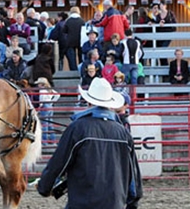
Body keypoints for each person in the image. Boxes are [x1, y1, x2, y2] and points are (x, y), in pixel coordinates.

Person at [37, 77, 143, 209]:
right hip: (114, 203)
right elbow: (133, 175)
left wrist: (45, 187)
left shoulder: (77, 128)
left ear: (88, 101)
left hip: (82, 202)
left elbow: (59, 162)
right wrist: (132, 201)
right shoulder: (123, 133)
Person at [35, 77, 60, 144]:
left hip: (45, 106)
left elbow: (41, 101)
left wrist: (39, 108)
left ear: (42, 84)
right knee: (50, 123)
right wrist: (52, 102)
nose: (38, 85)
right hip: (50, 106)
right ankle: (53, 140)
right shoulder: (49, 89)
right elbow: (57, 95)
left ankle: (44, 141)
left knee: (44, 124)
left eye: (39, 84)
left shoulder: (42, 91)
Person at [63, 6, 85, 71]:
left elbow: (64, 30)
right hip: (80, 40)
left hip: (70, 41)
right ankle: (81, 69)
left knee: (72, 57)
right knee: (80, 56)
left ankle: (73, 70)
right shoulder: (82, 20)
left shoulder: (68, 21)